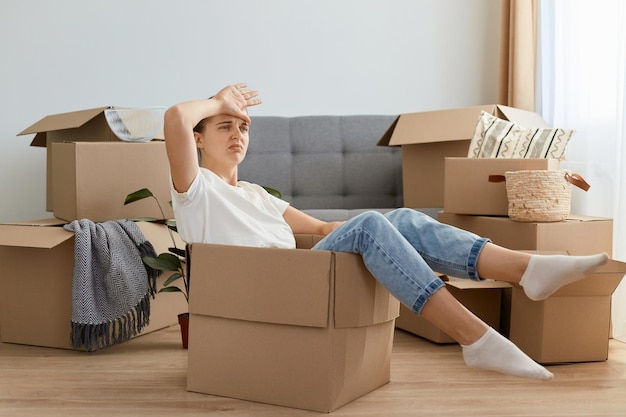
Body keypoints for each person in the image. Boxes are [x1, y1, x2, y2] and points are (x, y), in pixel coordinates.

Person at [164, 83, 609, 381]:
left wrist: (392, 231)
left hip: (297, 276)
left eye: (242, 126)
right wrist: (221, 101)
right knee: (375, 225)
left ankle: (523, 269)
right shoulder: (195, 190)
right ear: (199, 139)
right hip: (265, 289)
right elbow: (175, 117)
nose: (238, 133)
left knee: (398, 218)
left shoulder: (257, 193)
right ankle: (474, 335)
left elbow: (321, 228)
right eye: (224, 126)